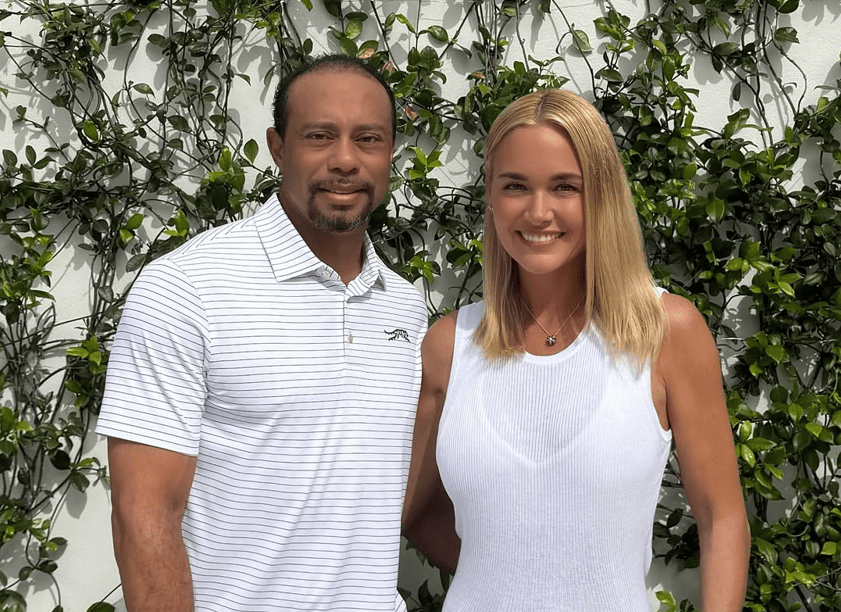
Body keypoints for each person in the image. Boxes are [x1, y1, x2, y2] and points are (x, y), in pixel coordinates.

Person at [96, 54, 428, 612]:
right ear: (278, 147)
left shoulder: (403, 305)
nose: (345, 160)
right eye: (320, 136)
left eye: (368, 139)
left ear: (389, 152)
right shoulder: (186, 288)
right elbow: (144, 513)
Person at [402, 89, 750, 611]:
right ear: (491, 199)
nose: (538, 211)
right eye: (515, 186)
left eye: (565, 187)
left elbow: (722, 515)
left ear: (602, 196)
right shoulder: (449, 346)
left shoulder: (665, 332)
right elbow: (409, 509)